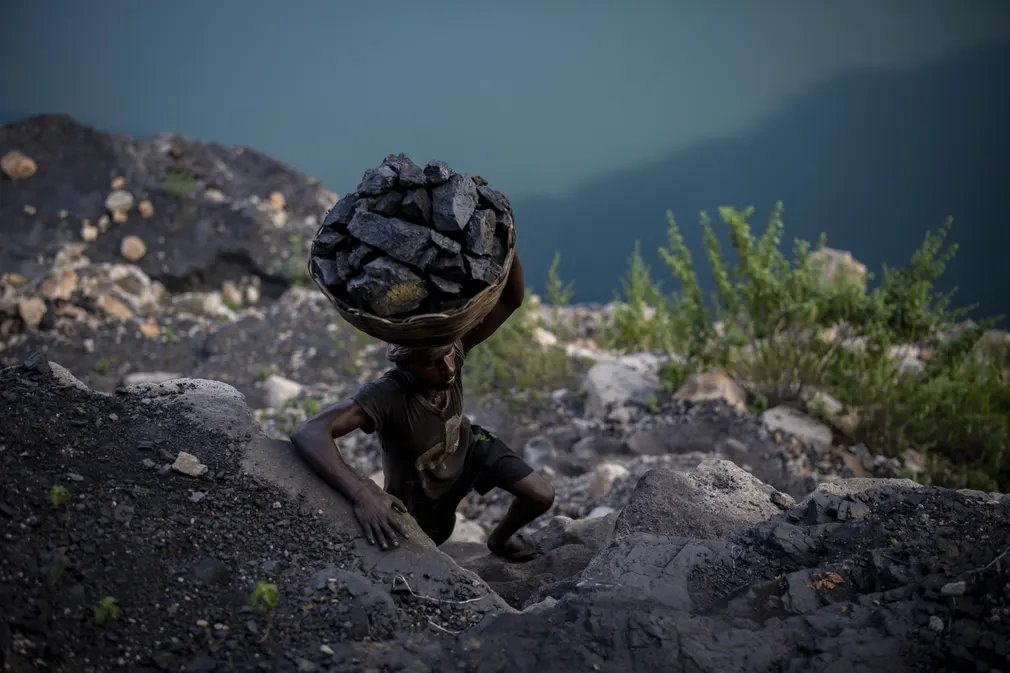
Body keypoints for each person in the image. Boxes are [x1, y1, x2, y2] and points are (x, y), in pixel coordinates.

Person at [290, 254, 554, 562]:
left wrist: (503, 243)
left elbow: (511, 298)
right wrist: (363, 493)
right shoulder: (388, 394)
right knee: (427, 544)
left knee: (540, 495)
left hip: (469, 450)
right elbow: (310, 432)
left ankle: (499, 540)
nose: (447, 368)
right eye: (430, 363)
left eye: (449, 355)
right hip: (421, 494)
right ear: (408, 365)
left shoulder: (451, 349)